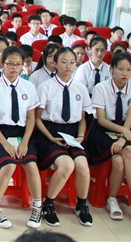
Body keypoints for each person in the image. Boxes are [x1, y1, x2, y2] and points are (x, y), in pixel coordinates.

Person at [84, 52, 131, 224]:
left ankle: (113, 199)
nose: (125, 73)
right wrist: (124, 132)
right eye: (120, 69)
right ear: (112, 69)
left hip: (124, 129)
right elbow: (101, 120)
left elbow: (130, 116)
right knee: (128, 152)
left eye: (129, 70)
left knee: (119, 160)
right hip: (102, 131)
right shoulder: (101, 88)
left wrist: (123, 137)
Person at [0, 46, 43, 229]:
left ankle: (38, 207)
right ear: (3, 64)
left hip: (21, 134)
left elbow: (31, 119)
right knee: (9, 165)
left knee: (31, 165)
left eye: (18, 64)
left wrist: (25, 142)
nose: (14, 68)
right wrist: (6, 144)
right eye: (10, 64)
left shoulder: (28, 87)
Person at [35, 47, 93, 227]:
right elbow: (36, 119)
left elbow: (82, 119)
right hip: (49, 132)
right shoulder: (46, 87)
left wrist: (81, 136)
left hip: (73, 133)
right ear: (55, 63)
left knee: (82, 165)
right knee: (67, 165)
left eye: (72, 62)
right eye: (64, 62)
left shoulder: (80, 87)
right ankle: (48, 204)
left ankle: (82, 205)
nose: (68, 66)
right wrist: (51, 138)